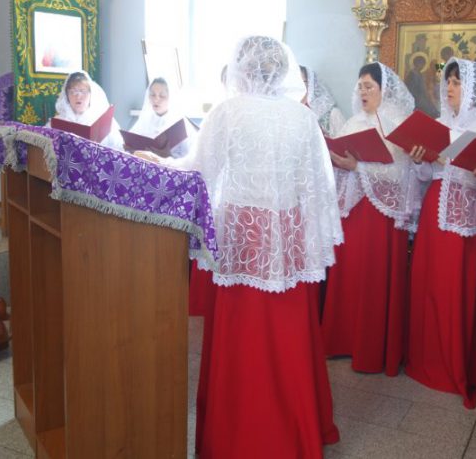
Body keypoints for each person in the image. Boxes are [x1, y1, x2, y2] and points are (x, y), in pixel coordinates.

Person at [139, 36, 343, 458]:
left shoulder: (227, 112)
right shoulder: (302, 117)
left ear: (242, 69)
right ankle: (295, 431)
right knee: (289, 337)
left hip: (243, 237)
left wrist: (161, 165)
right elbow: (319, 187)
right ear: (281, 71)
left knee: (242, 338)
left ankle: (238, 436)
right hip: (287, 240)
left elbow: (198, 172)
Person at [405, 57, 476, 408]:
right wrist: (421, 159)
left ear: (473, 87)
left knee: (455, 289)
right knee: (430, 287)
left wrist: (448, 161)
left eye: (457, 82)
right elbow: (426, 177)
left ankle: (457, 365)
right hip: (435, 212)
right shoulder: (438, 122)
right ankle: (427, 361)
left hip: (465, 220)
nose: (449, 87)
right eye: (447, 81)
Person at [320, 62, 424, 376]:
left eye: (369, 87)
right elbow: (341, 161)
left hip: (382, 217)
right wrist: (336, 160)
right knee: (349, 274)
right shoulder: (353, 122)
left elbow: (402, 175)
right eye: (360, 86)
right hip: (353, 212)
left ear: (384, 90)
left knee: (374, 279)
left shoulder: (398, 124)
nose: (363, 92)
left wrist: (359, 168)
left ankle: (372, 349)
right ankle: (342, 340)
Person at [48, 71, 124, 150]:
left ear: (91, 94)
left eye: (83, 91)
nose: (78, 96)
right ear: (67, 95)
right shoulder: (58, 121)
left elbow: (119, 148)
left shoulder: (104, 120)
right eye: (73, 92)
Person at [128, 77, 196, 158]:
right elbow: (129, 142)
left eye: (162, 96)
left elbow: (190, 156)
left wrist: (169, 156)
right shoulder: (144, 120)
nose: (156, 99)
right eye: (153, 95)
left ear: (170, 97)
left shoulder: (180, 122)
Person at [300, 65, 346, 136]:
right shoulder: (288, 113)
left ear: (310, 84)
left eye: (301, 82)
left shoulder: (331, 114)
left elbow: (345, 140)